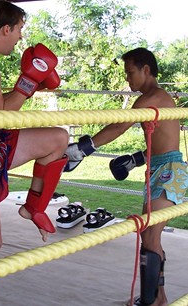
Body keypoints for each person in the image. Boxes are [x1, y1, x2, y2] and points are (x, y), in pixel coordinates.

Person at [0, 1, 68, 305]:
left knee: (57, 138)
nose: (20, 37)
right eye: (19, 29)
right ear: (6, 28)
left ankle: (34, 207)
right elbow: (1, 115)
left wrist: (27, 86)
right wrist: (28, 82)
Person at [65, 47, 188, 306]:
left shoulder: (153, 97)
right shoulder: (154, 98)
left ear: (146, 70)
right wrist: (135, 160)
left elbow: (120, 125)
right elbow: (163, 142)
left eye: (130, 73)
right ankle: (158, 297)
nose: (127, 79)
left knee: (151, 236)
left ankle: (151, 300)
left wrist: (84, 149)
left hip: (169, 172)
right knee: (149, 236)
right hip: (160, 168)